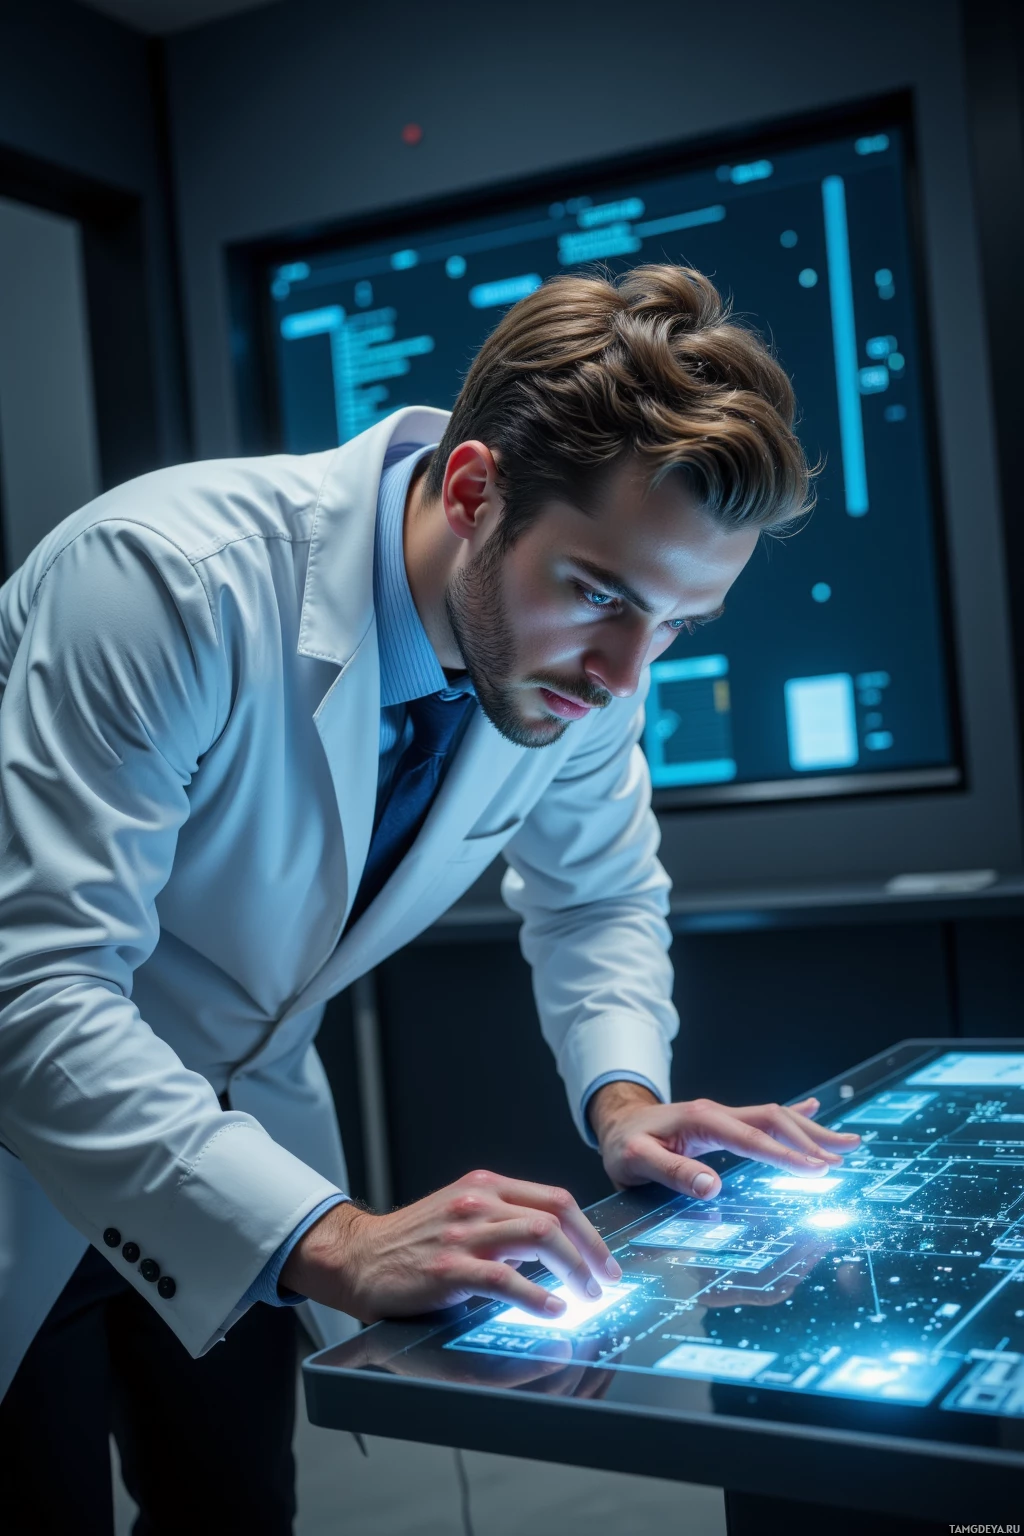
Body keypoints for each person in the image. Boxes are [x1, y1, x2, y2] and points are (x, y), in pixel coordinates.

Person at [0, 264, 858, 1532]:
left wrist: (625, 1101)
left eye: (681, 623)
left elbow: (598, 900)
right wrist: (340, 1240)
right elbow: (36, 990)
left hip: (242, 1144)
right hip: (30, 1137)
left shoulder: (574, 663)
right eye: (603, 596)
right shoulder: (169, 577)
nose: (629, 677)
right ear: (471, 492)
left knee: (235, 1501)